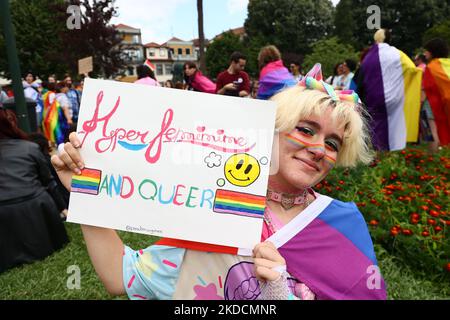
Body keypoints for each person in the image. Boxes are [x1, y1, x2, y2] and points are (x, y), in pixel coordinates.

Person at [51, 63, 387, 300]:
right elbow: (119, 276)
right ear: (274, 128)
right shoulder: (215, 205)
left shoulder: (344, 223)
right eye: (305, 129)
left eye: (332, 144)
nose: (317, 149)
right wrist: (85, 191)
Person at [0, 107, 69, 273]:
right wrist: (63, 208)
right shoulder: (29, 148)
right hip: (35, 210)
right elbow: (49, 182)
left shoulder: (29, 147)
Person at [354, 29, 422, 151]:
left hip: (371, 97)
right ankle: (390, 152)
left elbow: (361, 78)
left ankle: (376, 152)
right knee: (391, 125)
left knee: (375, 125)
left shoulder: (368, 57)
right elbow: (411, 68)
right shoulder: (396, 53)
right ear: (389, 39)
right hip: (392, 97)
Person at [422, 38, 450, 147]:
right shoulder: (447, 64)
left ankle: (432, 159)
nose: (425, 53)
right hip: (444, 105)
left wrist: (418, 105)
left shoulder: (430, 67)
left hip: (430, 106)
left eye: (427, 50)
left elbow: (425, 90)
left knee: (430, 133)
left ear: (433, 51)